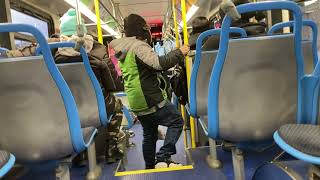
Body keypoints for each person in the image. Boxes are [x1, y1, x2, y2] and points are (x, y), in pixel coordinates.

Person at [110, 14, 190, 169]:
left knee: (150, 134)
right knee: (177, 121)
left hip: (136, 100)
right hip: (149, 97)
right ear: (142, 29)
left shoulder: (124, 48)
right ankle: (163, 157)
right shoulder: (138, 46)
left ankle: (150, 167)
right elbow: (159, 64)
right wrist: (180, 52)